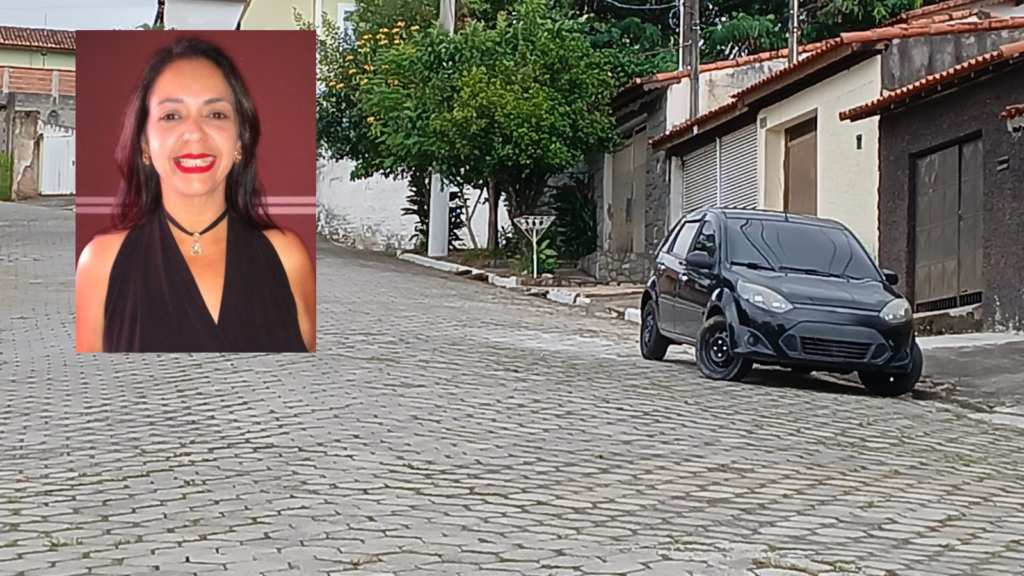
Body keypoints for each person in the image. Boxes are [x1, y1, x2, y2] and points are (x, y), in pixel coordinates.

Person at [75, 37, 315, 353]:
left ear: (240, 139)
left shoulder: (287, 259)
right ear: (144, 143)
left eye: (215, 114)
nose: (194, 133)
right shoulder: (101, 264)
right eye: (171, 115)